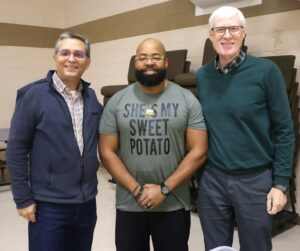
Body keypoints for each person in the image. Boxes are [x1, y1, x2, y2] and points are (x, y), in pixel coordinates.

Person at [196, 6, 295, 251]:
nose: (226, 35)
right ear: (211, 35)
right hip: (213, 179)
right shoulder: (203, 76)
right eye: (220, 29)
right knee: (216, 248)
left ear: (243, 33)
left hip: (255, 180)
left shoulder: (266, 72)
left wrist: (280, 184)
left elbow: (285, 130)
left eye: (233, 29)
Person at [99, 38, 208, 251]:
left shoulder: (187, 99)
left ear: (166, 62)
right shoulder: (117, 101)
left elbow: (199, 150)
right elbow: (106, 151)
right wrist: (138, 191)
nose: (149, 62)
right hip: (129, 203)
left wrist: (164, 189)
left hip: (174, 202)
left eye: (156, 57)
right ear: (135, 63)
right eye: (143, 57)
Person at [6, 31, 103, 251]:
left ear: (87, 62)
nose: (71, 59)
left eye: (79, 54)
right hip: (49, 206)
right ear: (54, 57)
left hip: (86, 203)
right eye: (65, 52)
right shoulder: (33, 95)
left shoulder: (91, 97)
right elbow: (16, 149)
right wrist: (23, 199)